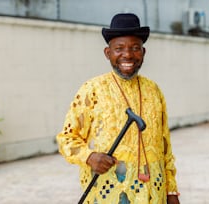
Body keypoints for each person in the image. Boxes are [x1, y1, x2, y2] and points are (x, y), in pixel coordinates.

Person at [56, 13, 180, 204]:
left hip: (153, 194)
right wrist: (90, 157)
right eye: (119, 48)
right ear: (108, 53)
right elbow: (67, 139)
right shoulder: (92, 89)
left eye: (135, 48)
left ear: (144, 52)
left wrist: (171, 191)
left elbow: (165, 146)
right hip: (109, 193)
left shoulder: (153, 90)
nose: (128, 55)